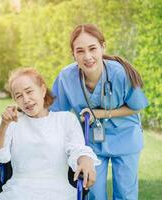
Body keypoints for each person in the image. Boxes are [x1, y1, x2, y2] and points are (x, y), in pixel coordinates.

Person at [51, 24, 149, 200]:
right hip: (91, 140)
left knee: (126, 194)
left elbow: (137, 106)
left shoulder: (120, 73)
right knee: (94, 193)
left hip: (126, 136)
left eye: (92, 48)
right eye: (80, 51)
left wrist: (101, 114)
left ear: (103, 47)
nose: (87, 56)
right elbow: (54, 112)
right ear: (73, 54)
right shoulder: (66, 77)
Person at [0, 67, 100, 200]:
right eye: (19, 96)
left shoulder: (66, 119)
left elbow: (78, 149)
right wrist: (3, 125)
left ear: (43, 90)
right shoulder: (12, 122)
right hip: (18, 191)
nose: (26, 99)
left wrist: (86, 161)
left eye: (29, 91)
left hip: (58, 191)